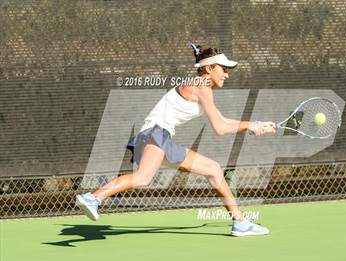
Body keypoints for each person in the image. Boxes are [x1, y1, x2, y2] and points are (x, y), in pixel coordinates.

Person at [76, 43, 276, 236]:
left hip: (158, 137)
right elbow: (220, 128)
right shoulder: (202, 86)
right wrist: (251, 125)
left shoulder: (200, 87)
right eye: (223, 69)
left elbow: (222, 121)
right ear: (208, 68)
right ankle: (93, 197)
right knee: (143, 178)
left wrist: (255, 124)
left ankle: (240, 222)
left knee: (213, 169)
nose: (227, 74)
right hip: (155, 134)